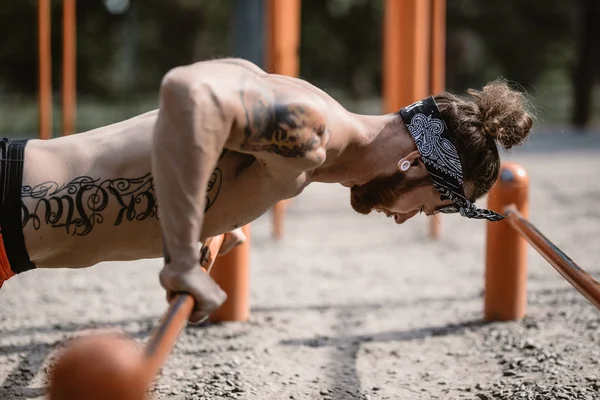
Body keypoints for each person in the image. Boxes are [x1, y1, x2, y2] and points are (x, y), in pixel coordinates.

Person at [0, 58, 534, 323]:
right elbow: (189, 95)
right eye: (428, 207)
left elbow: (192, 148)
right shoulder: (312, 134)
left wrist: (212, 218)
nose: (405, 218)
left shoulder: (305, 139)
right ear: (415, 162)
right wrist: (182, 256)